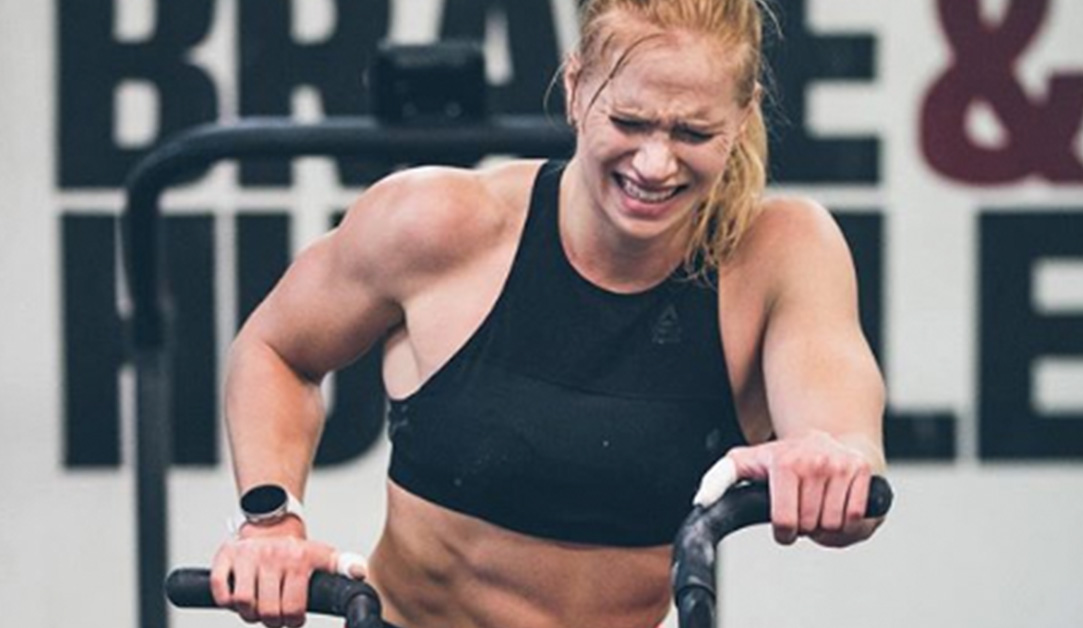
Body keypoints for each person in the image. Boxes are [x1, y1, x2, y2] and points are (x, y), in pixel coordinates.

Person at [209, 0, 887, 626]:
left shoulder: (780, 254)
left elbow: (843, 445)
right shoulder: (438, 224)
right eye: (629, 122)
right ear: (575, 88)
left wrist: (832, 466)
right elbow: (276, 350)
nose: (655, 163)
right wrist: (272, 521)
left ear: (744, 117)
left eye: (693, 132)